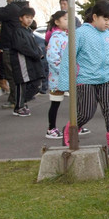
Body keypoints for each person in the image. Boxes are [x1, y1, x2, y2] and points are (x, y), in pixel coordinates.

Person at [59, 0, 109, 152]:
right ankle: (70, 130)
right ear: (94, 17)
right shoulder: (80, 34)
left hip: (107, 79)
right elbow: (68, 58)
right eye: (105, 19)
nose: (108, 23)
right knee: (86, 112)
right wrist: (65, 83)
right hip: (85, 79)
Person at [0, 0, 30, 107]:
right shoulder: (25, 7)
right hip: (20, 45)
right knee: (19, 73)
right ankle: (19, 98)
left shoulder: (12, 8)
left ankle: (15, 100)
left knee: (11, 74)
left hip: (10, 45)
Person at [8, 6, 45, 117]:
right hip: (21, 62)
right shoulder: (18, 31)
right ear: (21, 18)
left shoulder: (28, 31)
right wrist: (35, 54)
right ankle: (18, 107)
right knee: (22, 84)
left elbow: (35, 45)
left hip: (31, 61)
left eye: (31, 18)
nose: (29, 20)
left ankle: (23, 103)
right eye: (27, 17)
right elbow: (22, 47)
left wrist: (39, 53)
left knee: (36, 83)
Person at [45, 11, 69, 140]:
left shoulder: (67, 36)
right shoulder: (55, 38)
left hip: (70, 76)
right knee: (55, 103)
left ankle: (77, 125)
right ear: (57, 22)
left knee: (76, 102)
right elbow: (53, 58)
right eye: (65, 19)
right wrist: (64, 71)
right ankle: (51, 128)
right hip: (57, 78)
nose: (68, 21)